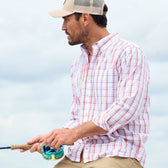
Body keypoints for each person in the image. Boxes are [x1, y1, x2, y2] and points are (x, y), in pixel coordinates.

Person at [21, 0, 150, 167]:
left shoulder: (129, 53)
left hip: (118, 154)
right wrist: (54, 138)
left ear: (85, 19)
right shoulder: (77, 64)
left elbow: (127, 108)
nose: (63, 27)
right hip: (79, 156)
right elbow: (77, 118)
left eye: (66, 20)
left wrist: (74, 134)